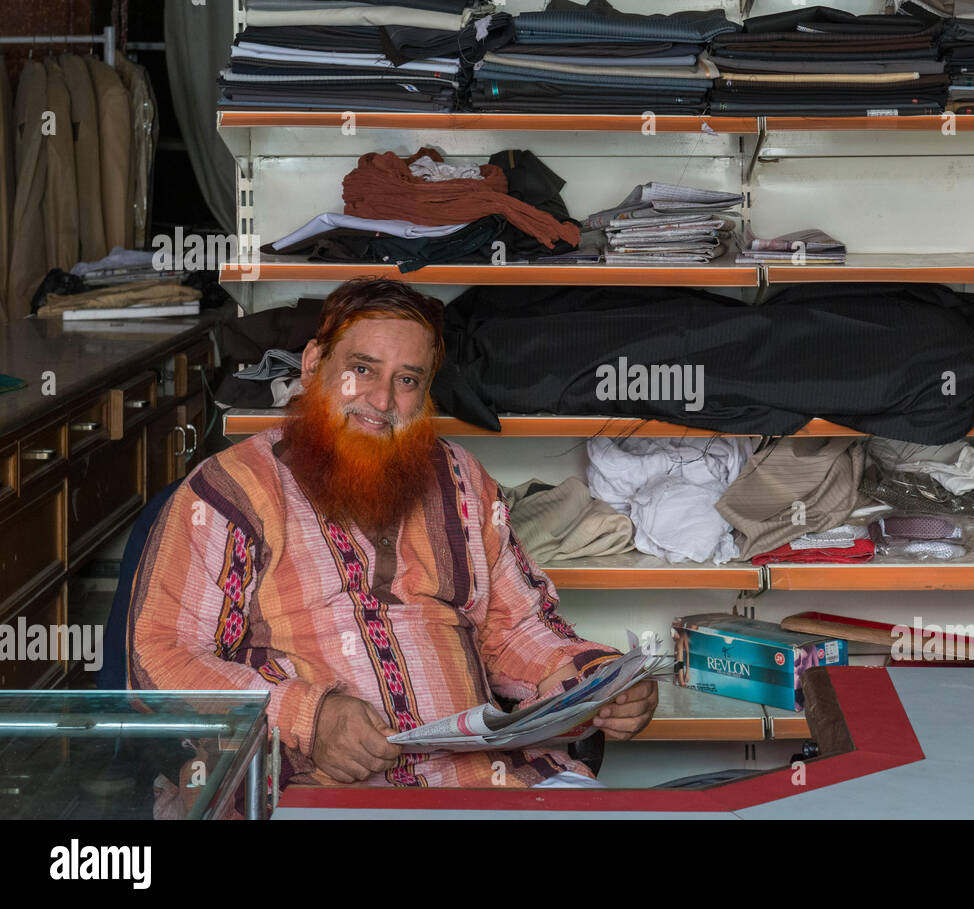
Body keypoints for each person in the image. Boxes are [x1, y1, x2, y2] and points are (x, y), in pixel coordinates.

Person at [128, 276, 657, 788]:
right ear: (314, 365)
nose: (381, 403)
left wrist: (598, 682)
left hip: (485, 783)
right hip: (313, 791)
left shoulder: (462, 479)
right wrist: (309, 717)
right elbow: (160, 658)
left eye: (407, 380)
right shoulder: (229, 491)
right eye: (362, 369)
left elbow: (517, 629)